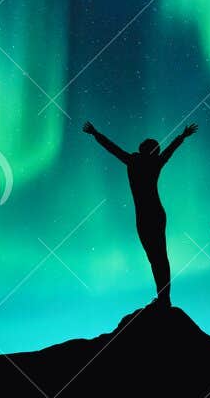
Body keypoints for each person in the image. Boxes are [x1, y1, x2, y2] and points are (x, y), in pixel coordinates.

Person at [82, 119, 197, 307]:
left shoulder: (135, 162)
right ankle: (163, 297)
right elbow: (168, 150)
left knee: (157, 257)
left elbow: (113, 149)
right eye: (153, 147)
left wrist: (96, 133)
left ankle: (164, 298)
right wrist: (182, 136)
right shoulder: (147, 162)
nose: (155, 149)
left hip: (149, 215)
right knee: (157, 257)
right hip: (151, 215)